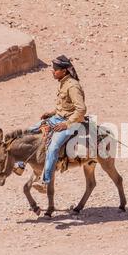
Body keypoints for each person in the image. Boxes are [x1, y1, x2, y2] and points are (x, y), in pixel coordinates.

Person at [21, 55, 87, 193]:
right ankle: (20, 164)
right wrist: (51, 113)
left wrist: (67, 124)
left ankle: (45, 183)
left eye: (55, 69)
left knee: (53, 147)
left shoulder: (73, 86)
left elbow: (81, 109)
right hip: (57, 118)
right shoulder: (63, 82)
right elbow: (65, 106)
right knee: (30, 131)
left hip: (70, 123)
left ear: (64, 71)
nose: (53, 71)